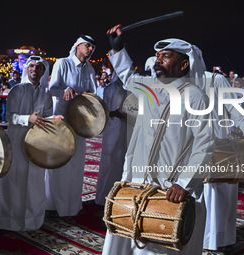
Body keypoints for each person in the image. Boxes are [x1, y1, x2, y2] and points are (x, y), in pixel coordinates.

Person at [102, 24, 214, 255]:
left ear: (184, 64)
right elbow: (127, 76)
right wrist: (118, 49)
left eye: (166, 56)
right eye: (158, 56)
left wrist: (184, 183)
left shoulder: (195, 97)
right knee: (126, 240)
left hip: (170, 188)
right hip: (137, 181)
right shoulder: (149, 87)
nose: (158, 60)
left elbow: (205, 143)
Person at [0, 56, 63, 231]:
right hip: (16, 144)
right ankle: (4, 221)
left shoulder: (46, 94)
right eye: (31, 66)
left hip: (37, 144)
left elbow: (44, 119)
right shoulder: (17, 90)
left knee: (35, 182)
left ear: (43, 71)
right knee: (12, 182)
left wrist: (54, 120)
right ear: (26, 69)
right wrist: (27, 119)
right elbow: (10, 117)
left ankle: (32, 221)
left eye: (38, 67)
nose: (34, 69)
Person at [191, 47, 244, 252]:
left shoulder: (216, 80)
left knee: (217, 192)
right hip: (192, 146)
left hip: (219, 145)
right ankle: (198, 236)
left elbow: (234, 107)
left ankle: (217, 238)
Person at [45, 35, 97, 217]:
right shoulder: (63, 63)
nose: (90, 49)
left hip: (80, 122)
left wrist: (89, 95)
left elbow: (94, 92)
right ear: (77, 46)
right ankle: (51, 204)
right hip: (62, 120)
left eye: (92, 47)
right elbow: (52, 89)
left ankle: (73, 204)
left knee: (77, 162)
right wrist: (64, 89)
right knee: (59, 161)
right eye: (87, 46)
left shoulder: (90, 68)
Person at [95, 77, 127, 206]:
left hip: (125, 129)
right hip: (113, 128)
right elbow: (104, 110)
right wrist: (116, 113)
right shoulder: (111, 88)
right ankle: (102, 198)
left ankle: (117, 197)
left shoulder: (129, 88)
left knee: (121, 162)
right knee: (108, 161)